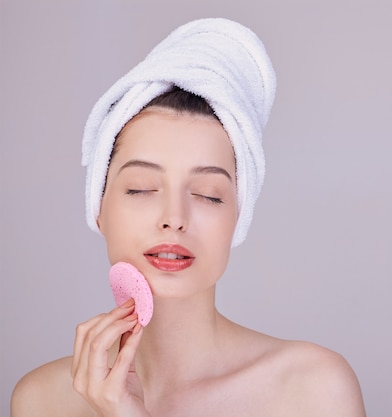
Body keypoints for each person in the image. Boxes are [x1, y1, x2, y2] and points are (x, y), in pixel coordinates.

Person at [11, 18, 366, 417]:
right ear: (98, 207)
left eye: (207, 195)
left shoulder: (313, 389)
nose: (174, 218)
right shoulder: (42, 400)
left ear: (238, 217)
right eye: (141, 188)